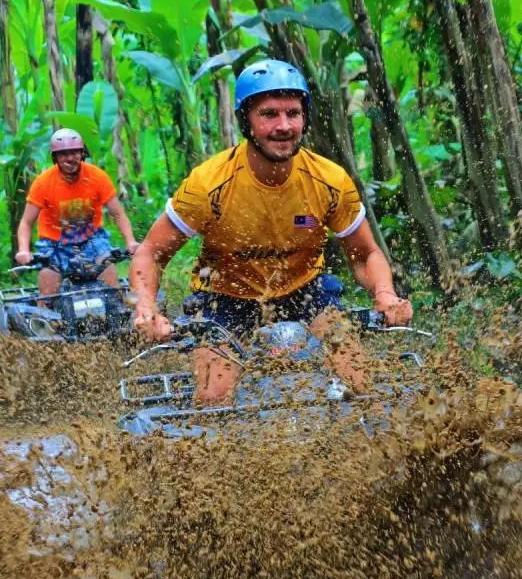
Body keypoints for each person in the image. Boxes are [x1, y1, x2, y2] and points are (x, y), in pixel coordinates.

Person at [131, 59, 413, 404]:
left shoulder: (330, 180)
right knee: (212, 401)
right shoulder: (209, 183)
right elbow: (150, 253)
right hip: (226, 296)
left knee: (359, 384)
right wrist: (146, 307)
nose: (284, 126)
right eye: (269, 114)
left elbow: (365, 253)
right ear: (245, 120)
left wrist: (385, 294)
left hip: (306, 290)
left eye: (293, 113)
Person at [16, 128, 140, 294]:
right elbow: (26, 222)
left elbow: (118, 214)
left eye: (74, 153)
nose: (69, 158)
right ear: (55, 158)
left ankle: (116, 314)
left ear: (82, 153)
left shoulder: (97, 177)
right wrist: (24, 249)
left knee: (109, 276)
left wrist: (130, 241)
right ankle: (47, 317)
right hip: (55, 244)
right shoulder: (43, 183)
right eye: (63, 154)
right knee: (47, 284)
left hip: (92, 239)